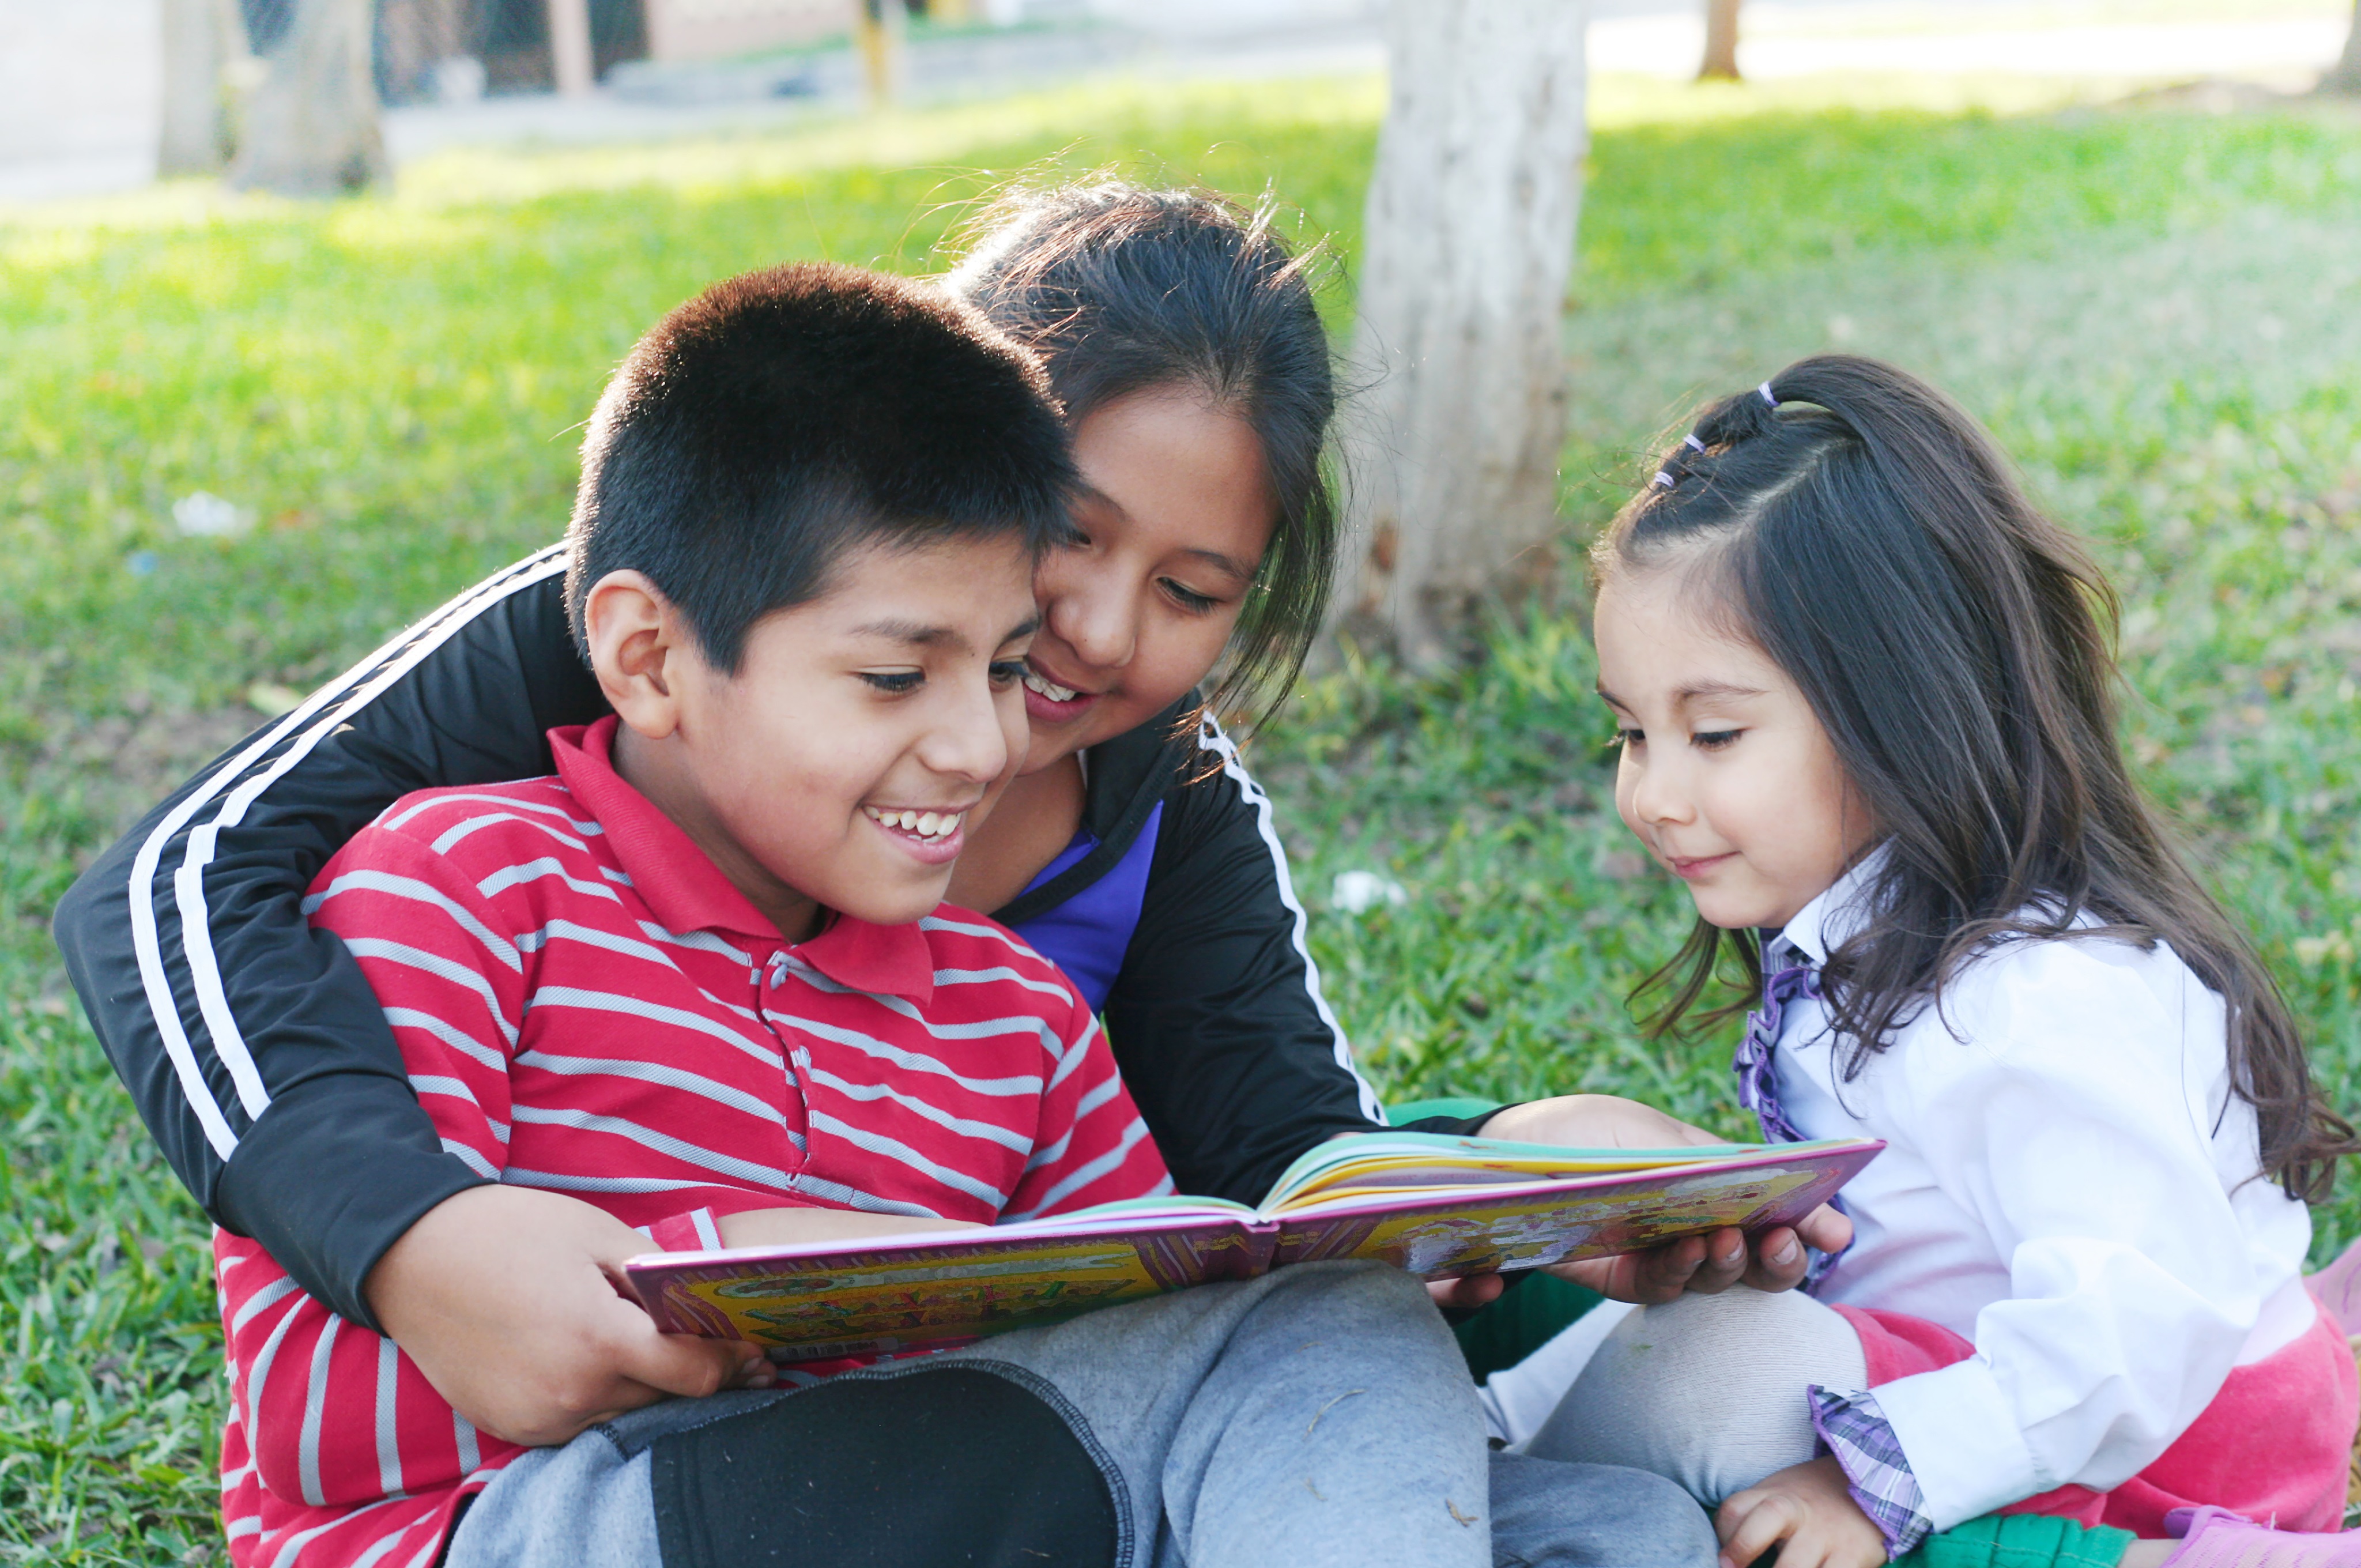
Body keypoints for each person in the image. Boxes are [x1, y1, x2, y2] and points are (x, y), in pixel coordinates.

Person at [54, 180, 1832, 1454]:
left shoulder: (1172, 805)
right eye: (1069, 530)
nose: (1102, 632)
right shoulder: (640, 624)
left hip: (1017, 1339)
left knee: (1500, 1268)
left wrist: (1542, 1217)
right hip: (645, 1345)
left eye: (1196, 587)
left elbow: (1270, 1151)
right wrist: (408, 1232)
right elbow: (173, 883)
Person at [1479, 355, 2361, 1568]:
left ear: (1898, 704)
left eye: (1713, 732)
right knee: (1657, 1269)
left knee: (1723, 1359)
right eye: (1629, 731)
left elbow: (2126, 1335)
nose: (1651, 793)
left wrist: (1873, 1481)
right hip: (1962, 1363)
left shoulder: (2039, 993)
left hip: (2163, 1442)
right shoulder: (1868, 937)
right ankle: (1492, 1446)